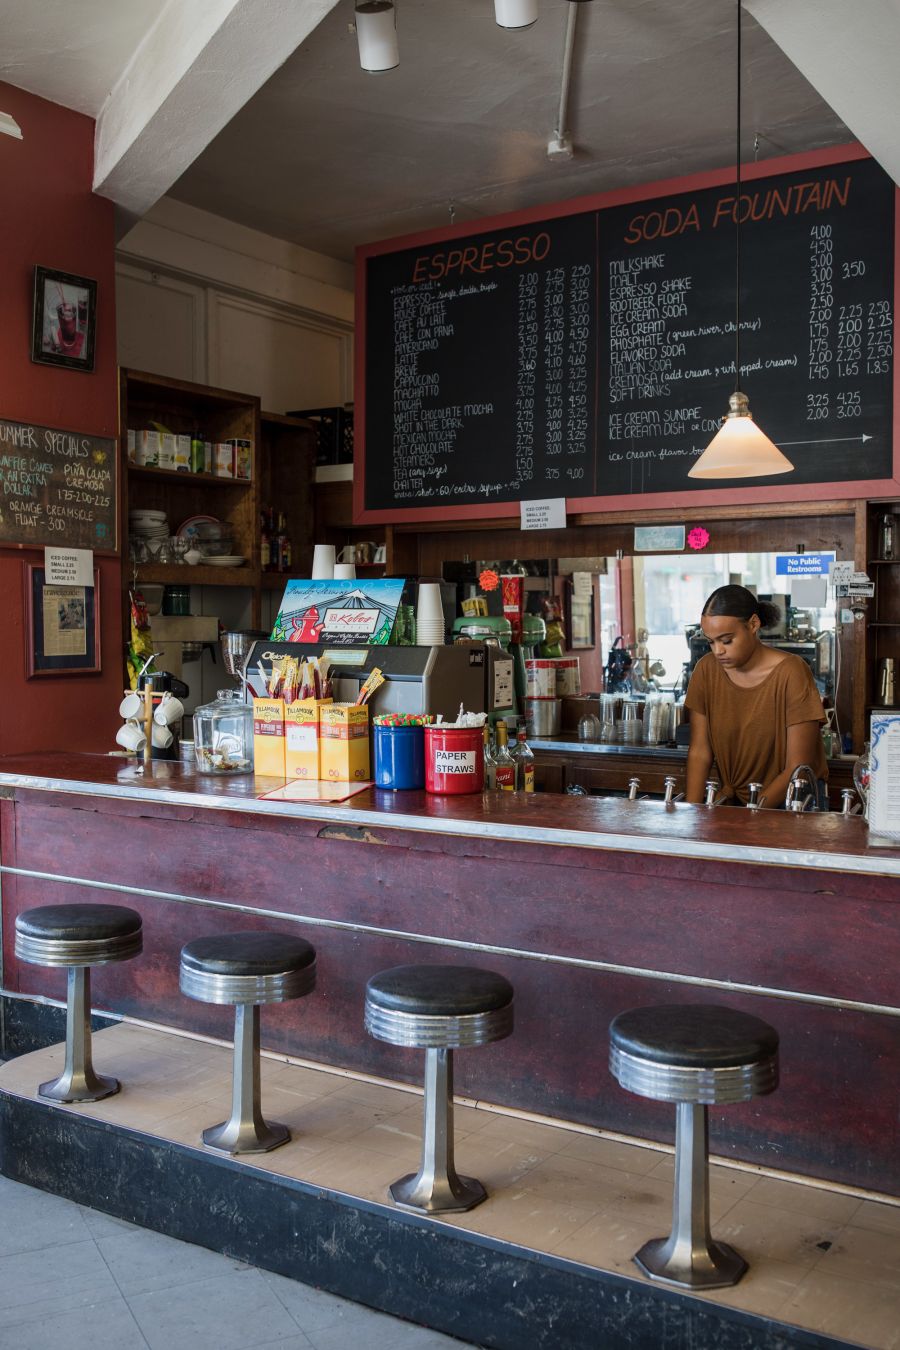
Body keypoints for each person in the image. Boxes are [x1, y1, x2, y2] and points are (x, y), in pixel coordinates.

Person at [684, 585, 828, 807]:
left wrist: (753, 813)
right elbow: (700, 752)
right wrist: (690, 812)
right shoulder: (706, 670)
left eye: (727, 640)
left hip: (791, 802)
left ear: (753, 624)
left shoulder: (792, 672)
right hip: (737, 804)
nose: (717, 651)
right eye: (711, 641)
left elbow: (798, 766)